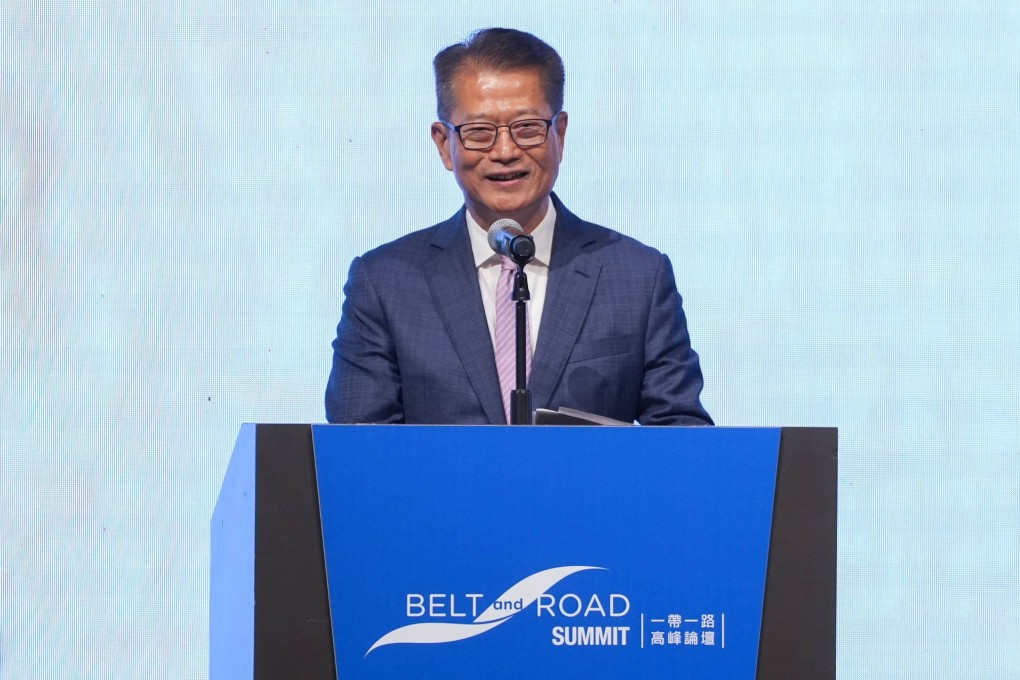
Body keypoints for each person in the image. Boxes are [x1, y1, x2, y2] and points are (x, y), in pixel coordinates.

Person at [325, 28, 712, 426]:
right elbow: (359, 450)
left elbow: (682, 440)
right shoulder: (385, 282)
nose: (506, 152)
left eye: (527, 128)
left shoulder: (637, 277)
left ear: (559, 133)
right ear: (444, 145)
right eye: (479, 132)